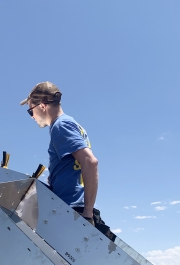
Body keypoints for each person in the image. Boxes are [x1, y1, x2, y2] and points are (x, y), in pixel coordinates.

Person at [20, 81, 114, 240]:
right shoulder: (70, 123)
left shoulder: (60, 125)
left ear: (42, 106)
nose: (32, 117)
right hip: (77, 209)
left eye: (31, 111)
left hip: (74, 212)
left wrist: (87, 215)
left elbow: (90, 163)